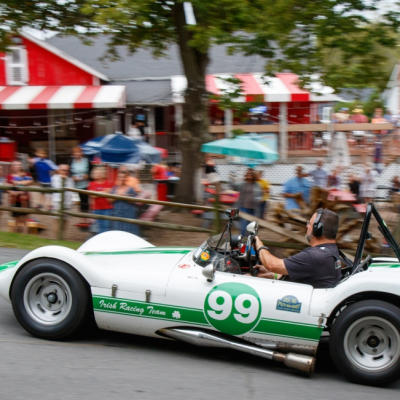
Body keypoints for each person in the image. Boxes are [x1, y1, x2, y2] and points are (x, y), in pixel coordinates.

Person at [254, 208, 342, 288]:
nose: (307, 226)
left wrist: (259, 245)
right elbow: (302, 273)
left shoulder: (315, 256)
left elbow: (271, 265)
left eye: (309, 224)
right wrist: (274, 275)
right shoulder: (331, 251)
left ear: (317, 230)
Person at [110, 169, 140, 235]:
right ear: (118, 178)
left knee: (130, 232)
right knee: (118, 232)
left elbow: (136, 201)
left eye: (124, 177)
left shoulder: (131, 188)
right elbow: (110, 200)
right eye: (120, 177)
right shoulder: (114, 188)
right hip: (117, 213)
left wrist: (126, 197)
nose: (122, 178)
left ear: (126, 178)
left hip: (129, 213)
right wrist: (118, 195)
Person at [7, 160, 33, 233]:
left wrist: (18, 183)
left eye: (19, 165)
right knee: (16, 220)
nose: (18, 166)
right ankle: (17, 235)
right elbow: (8, 188)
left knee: (25, 219)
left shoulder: (26, 174)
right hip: (15, 200)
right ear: (12, 167)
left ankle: (25, 235)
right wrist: (17, 192)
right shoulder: (9, 176)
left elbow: (30, 181)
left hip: (25, 199)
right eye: (15, 165)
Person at [87, 166, 113, 234]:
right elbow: (92, 195)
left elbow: (109, 193)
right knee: (97, 227)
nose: (98, 174)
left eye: (100, 173)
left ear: (103, 173)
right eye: (96, 173)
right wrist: (103, 192)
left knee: (106, 226)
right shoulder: (91, 184)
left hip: (107, 208)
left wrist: (97, 193)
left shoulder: (108, 183)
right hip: (96, 209)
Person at [237, 168, 262, 235]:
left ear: (254, 175)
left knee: (252, 227)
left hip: (254, 209)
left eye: (251, 173)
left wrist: (259, 199)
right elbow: (234, 186)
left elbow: (260, 195)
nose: (249, 174)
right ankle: (242, 241)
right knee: (243, 226)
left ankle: (250, 242)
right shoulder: (242, 184)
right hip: (244, 207)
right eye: (247, 173)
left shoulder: (257, 185)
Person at [70, 146, 90, 216]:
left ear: (82, 153)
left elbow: (91, 170)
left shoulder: (86, 160)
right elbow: (69, 172)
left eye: (79, 152)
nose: (77, 154)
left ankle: (86, 218)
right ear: (73, 154)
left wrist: (88, 176)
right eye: (75, 152)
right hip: (76, 185)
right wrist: (72, 177)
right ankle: (82, 218)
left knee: (86, 202)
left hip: (85, 184)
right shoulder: (71, 161)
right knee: (79, 202)